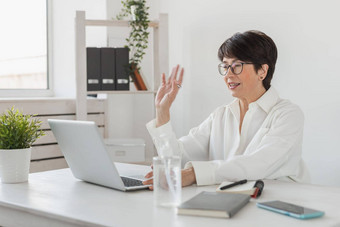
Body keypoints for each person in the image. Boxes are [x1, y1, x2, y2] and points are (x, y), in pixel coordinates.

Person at [143, 30, 309, 190]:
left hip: (278, 206)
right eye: (225, 66)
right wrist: (162, 112)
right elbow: (175, 160)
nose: (228, 74)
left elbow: (258, 164)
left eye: (237, 66)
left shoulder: (288, 115)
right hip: (230, 202)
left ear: (262, 71)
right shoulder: (221, 115)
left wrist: (193, 173)